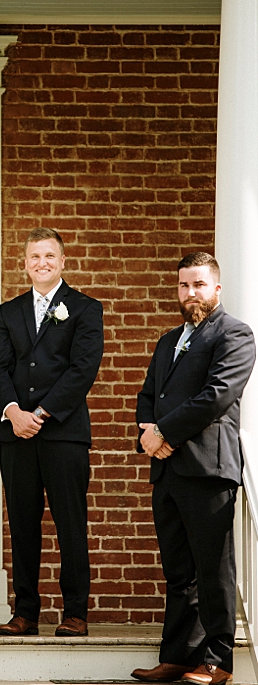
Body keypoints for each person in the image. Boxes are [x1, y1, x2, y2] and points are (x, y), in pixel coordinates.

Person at [131, 253, 255, 685]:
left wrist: (163, 432)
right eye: (184, 286)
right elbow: (148, 394)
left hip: (207, 468)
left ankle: (219, 662)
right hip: (167, 470)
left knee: (213, 569)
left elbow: (217, 396)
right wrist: (148, 431)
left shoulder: (234, 335)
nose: (191, 294)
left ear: (216, 288)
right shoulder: (168, 340)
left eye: (199, 285)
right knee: (178, 570)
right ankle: (180, 656)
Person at [0, 227, 104, 637]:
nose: (42, 263)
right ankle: (26, 612)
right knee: (22, 524)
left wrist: (42, 412)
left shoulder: (86, 309)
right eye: (35, 257)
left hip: (64, 433)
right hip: (15, 434)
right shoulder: (8, 311)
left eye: (50, 256)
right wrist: (14, 412)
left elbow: (82, 370)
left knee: (70, 523)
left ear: (63, 262)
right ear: (24, 264)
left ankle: (75, 612)